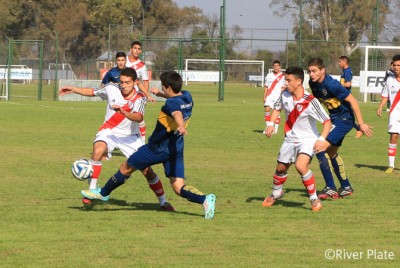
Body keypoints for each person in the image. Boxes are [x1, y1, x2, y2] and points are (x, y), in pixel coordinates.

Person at [81, 71, 217, 219]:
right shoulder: (187, 96)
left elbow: (176, 112)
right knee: (178, 187)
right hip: (176, 148)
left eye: (163, 87)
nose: (163, 89)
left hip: (157, 148)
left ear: (169, 88)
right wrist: (160, 94)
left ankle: (102, 193)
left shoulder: (171, 104)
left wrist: (180, 125)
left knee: (126, 167)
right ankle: (205, 200)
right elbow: (176, 101)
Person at [59, 68, 174, 211]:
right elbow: (93, 92)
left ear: (135, 82)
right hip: (109, 132)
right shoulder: (112, 88)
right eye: (122, 82)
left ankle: (163, 202)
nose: (124, 86)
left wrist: (124, 112)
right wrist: (73, 89)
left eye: (127, 83)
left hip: (130, 137)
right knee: (98, 150)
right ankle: (92, 191)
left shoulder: (140, 98)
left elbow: (138, 117)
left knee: (146, 171)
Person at [262, 66, 331, 212]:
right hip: (290, 139)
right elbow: (277, 109)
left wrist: (322, 139)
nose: (285, 83)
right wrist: (270, 124)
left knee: (301, 166)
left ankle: (314, 199)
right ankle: (276, 192)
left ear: (298, 81)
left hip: (308, 139)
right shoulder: (285, 95)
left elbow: (327, 121)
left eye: (288, 80)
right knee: (280, 169)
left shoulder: (311, 101)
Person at [308, 58, 373, 199]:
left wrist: (360, 123)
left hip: (343, 120)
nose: (311, 74)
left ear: (322, 70)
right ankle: (346, 186)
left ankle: (330, 187)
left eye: (314, 71)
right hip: (336, 120)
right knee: (331, 152)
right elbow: (316, 103)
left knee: (319, 147)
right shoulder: (312, 83)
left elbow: (353, 101)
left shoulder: (332, 84)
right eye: (309, 71)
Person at [377, 55, 400, 174]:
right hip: (394, 114)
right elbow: (385, 95)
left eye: (398, 65)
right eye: (394, 65)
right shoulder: (389, 80)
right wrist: (381, 106)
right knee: (393, 137)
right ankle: (391, 165)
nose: (396, 67)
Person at [126, 41, 151, 143]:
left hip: (135, 95)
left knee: (138, 117)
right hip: (122, 93)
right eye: (135, 48)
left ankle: (142, 142)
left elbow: (145, 81)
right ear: (131, 49)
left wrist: (145, 96)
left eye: (139, 49)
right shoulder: (124, 60)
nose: (137, 50)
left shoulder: (141, 65)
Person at [338, 56, 363, 138]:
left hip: (346, 97)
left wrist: (339, 85)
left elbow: (348, 84)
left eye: (340, 62)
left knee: (344, 115)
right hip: (343, 96)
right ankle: (358, 128)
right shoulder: (345, 71)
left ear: (344, 62)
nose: (339, 63)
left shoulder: (347, 71)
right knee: (344, 115)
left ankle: (359, 129)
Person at [263, 60, 285, 134]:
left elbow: (284, 87)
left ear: (280, 67)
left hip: (278, 97)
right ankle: (267, 128)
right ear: (273, 67)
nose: (276, 67)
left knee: (277, 112)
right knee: (267, 109)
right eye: (274, 66)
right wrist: (264, 96)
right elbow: (266, 87)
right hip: (269, 96)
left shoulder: (283, 76)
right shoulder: (269, 76)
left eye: (277, 66)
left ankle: (275, 129)